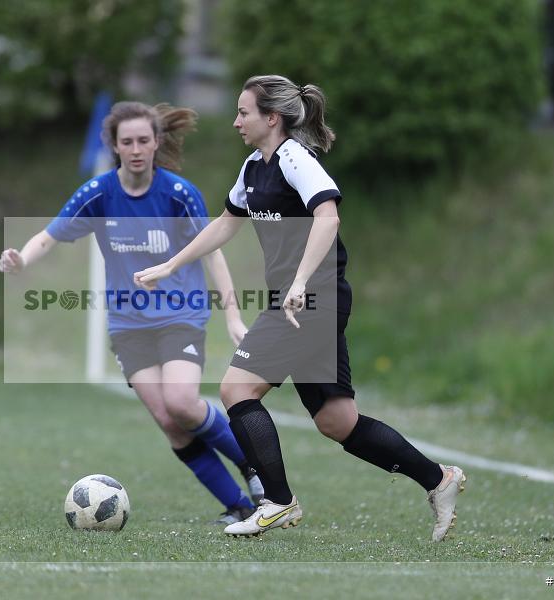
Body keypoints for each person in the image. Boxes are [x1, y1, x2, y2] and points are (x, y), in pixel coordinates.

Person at [134, 75, 466, 540]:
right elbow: (227, 225)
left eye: (244, 112)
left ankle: (278, 502)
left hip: (312, 299)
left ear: (272, 118)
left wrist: (301, 281)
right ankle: (439, 479)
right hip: (299, 300)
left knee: (235, 390)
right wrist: (171, 264)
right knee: (338, 422)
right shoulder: (254, 166)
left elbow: (328, 216)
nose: (236, 122)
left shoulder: (295, 159)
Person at [0, 101, 263, 524]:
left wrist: (232, 315)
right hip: (128, 325)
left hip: (180, 314)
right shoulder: (99, 193)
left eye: (144, 140)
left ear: (157, 142)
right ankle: (238, 505)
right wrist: (21, 259)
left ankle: (253, 463)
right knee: (169, 421)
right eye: (127, 142)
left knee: (181, 403)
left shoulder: (178, 194)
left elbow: (214, 254)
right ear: (114, 146)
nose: (136, 149)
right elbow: (49, 235)